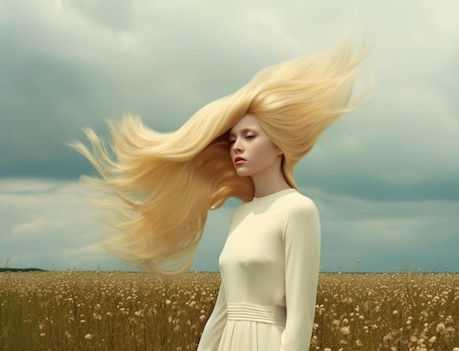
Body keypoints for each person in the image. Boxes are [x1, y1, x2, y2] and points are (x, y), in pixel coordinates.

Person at [71, 40, 369, 351]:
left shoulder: (298, 210)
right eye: (232, 139)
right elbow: (222, 311)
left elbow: (300, 319)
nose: (237, 146)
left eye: (249, 136)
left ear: (280, 144)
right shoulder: (240, 215)